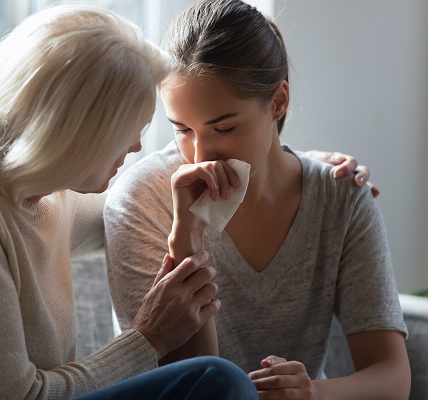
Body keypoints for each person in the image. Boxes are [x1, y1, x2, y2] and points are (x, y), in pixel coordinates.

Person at [0, 4, 260, 399]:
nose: (135, 147)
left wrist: (310, 164)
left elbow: (138, 196)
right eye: (129, 130)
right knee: (216, 380)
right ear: (75, 131)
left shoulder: (45, 192)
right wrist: (148, 338)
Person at [105, 0, 410, 399]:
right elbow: (192, 386)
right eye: (182, 129)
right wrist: (188, 239)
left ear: (279, 102)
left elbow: (392, 377)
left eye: (225, 127)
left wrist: (313, 393)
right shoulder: (142, 200)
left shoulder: (341, 196)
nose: (199, 155)